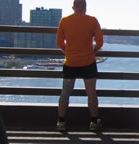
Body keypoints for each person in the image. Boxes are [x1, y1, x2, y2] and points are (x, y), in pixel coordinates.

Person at [55, 0, 104, 131]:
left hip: (70, 62)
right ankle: (93, 122)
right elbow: (99, 42)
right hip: (88, 62)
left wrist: (68, 52)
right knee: (91, 93)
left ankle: (61, 122)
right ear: (85, 7)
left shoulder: (64, 21)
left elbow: (59, 42)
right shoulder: (92, 20)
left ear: (73, 7)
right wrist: (92, 52)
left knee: (65, 93)